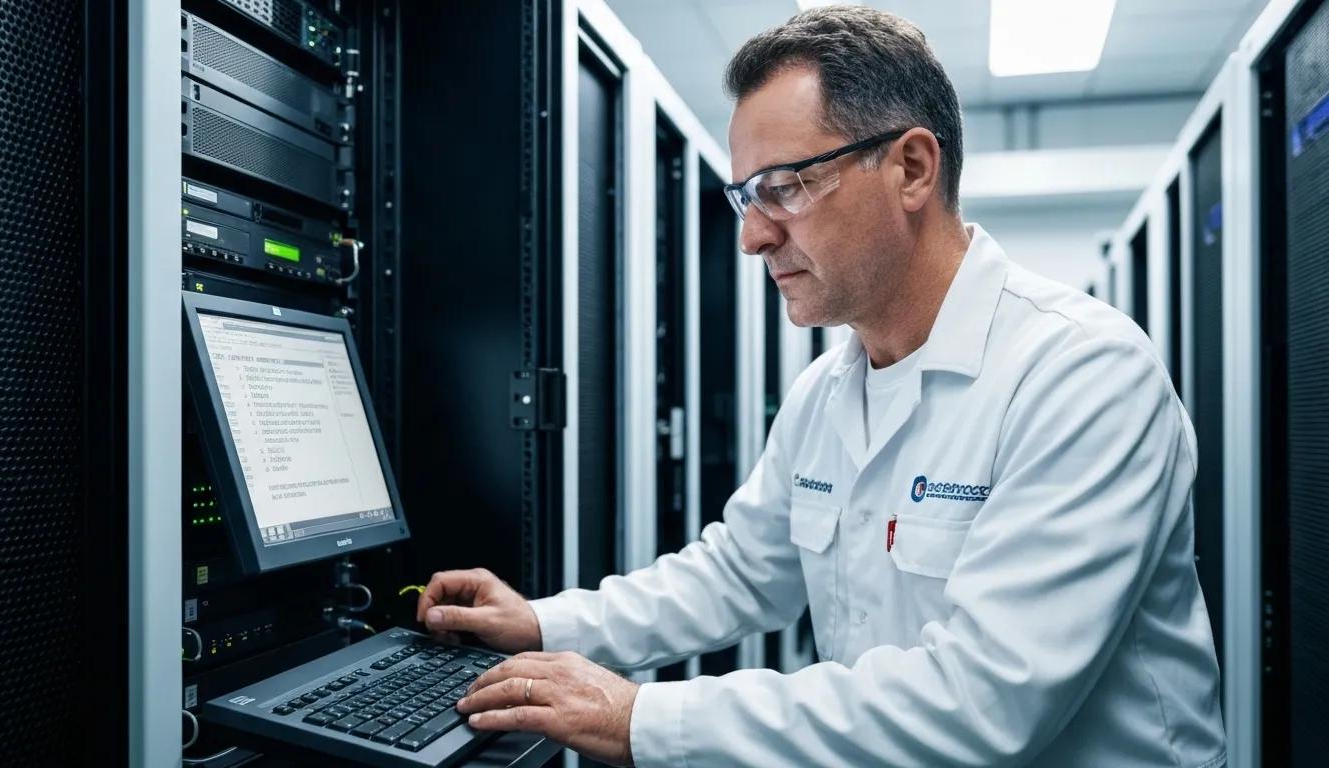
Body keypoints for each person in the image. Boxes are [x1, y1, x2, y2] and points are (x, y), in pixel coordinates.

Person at [420, 6, 1226, 766]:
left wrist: (645, 720)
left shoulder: (1080, 376)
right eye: (745, 195)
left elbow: (986, 700)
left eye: (784, 187)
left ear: (911, 167)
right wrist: (540, 622)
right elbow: (741, 572)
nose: (751, 234)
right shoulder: (827, 392)